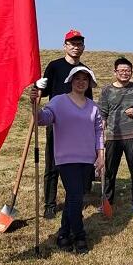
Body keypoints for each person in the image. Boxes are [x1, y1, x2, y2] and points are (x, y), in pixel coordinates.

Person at [31, 66, 103, 254]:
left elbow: (99, 131)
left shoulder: (93, 106)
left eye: (85, 79)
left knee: (73, 198)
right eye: (77, 78)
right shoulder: (58, 101)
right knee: (76, 197)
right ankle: (79, 235)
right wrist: (35, 106)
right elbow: (43, 119)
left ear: (89, 83)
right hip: (66, 158)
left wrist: (100, 154)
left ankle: (63, 234)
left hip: (87, 158)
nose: (81, 82)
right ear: (71, 81)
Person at [38, 29, 93, 219]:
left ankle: (76, 198)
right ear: (65, 46)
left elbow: (88, 100)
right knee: (53, 163)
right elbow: (43, 93)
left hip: (78, 124)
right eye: (72, 44)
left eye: (79, 44)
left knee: (78, 162)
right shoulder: (54, 66)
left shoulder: (84, 71)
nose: (76, 47)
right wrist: (38, 86)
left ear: (83, 47)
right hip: (56, 121)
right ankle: (50, 204)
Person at [98, 57, 133, 213]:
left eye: (128, 70)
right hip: (113, 136)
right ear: (115, 72)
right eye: (121, 70)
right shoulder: (107, 90)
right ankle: (107, 201)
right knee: (109, 171)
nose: (125, 73)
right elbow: (102, 115)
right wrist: (101, 136)